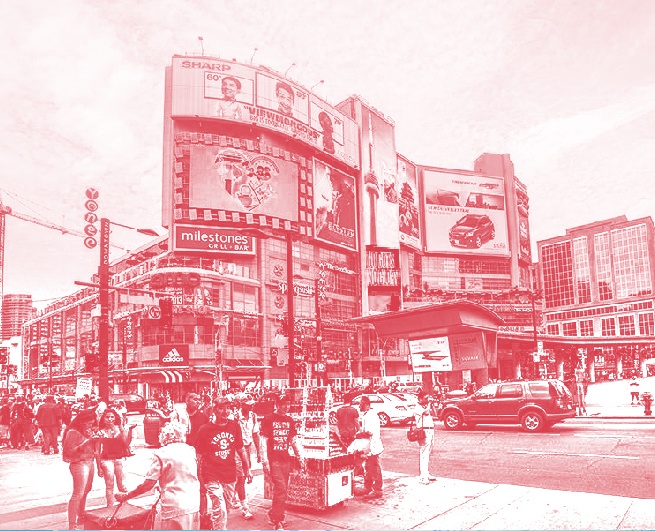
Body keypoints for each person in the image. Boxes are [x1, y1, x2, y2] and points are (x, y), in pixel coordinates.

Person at [116, 421, 200, 530]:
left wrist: (127, 496)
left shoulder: (161, 454)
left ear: (164, 436)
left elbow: (147, 485)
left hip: (173, 505)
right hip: (193, 503)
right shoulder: (190, 450)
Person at [195, 398, 253, 529]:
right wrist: (199, 478)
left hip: (229, 474)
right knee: (220, 507)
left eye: (228, 408)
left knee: (226, 508)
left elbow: (241, 449)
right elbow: (199, 457)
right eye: (221, 408)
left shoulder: (234, 426)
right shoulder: (204, 430)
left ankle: (214, 525)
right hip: (211, 474)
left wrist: (247, 469)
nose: (225, 411)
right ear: (214, 410)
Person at [260, 394, 304, 531]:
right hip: (273, 460)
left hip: (286, 460)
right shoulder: (268, 419)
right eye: (283, 404)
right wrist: (265, 462)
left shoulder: (289, 420)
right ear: (277, 405)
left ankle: (274, 514)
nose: (286, 407)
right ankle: (277, 521)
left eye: (288, 404)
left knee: (281, 491)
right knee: (281, 489)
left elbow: (294, 441)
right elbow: (263, 441)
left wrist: (300, 457)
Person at [62, 409, 100, 530]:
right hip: (79, 463)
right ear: (81, 421)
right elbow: (68, 451)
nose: (89, 425)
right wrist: (86, 443)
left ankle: (81, 514)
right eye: (87, 423)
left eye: (91, 423)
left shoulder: (88, 430)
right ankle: (72, 524)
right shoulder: (73, 432)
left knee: (86, 490)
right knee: (78, 493)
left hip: (90, 461)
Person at [96, 408, 134, 506]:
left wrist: (128, 430)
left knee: (122, 485)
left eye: (112, 417)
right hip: (106, 460)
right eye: (107, 417)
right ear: (103, 418)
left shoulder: (119, 429)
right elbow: (97, 451)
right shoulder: (100, 432)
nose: (110, 419)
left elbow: (126, 443)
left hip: (119, 459)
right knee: (109, 485)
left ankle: (125, 505)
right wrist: (98, 467)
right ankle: (110, 506)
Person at [357, 395, 384, 499]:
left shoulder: (371, 415)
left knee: (374, 468)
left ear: (366, 405)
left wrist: (358, 435)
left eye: (361, 404)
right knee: (368, 467)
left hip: (373, 445)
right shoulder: (367, 414)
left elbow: (369, 432)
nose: (359, 406)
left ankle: (377, 490)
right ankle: (367, 487)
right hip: (369, 445)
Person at [414, 391, 437, 485]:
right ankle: (423, 476)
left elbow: (435, 414)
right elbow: (426, 412)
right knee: (424, 454)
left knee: (428, 453)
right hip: (423, 431)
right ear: (420, 399)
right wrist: (430, 403)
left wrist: (433, 405)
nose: (427, 400)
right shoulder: (417, 407)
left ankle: (426, 473)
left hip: (430, 430)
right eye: (425, 398)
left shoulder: (425, 406)